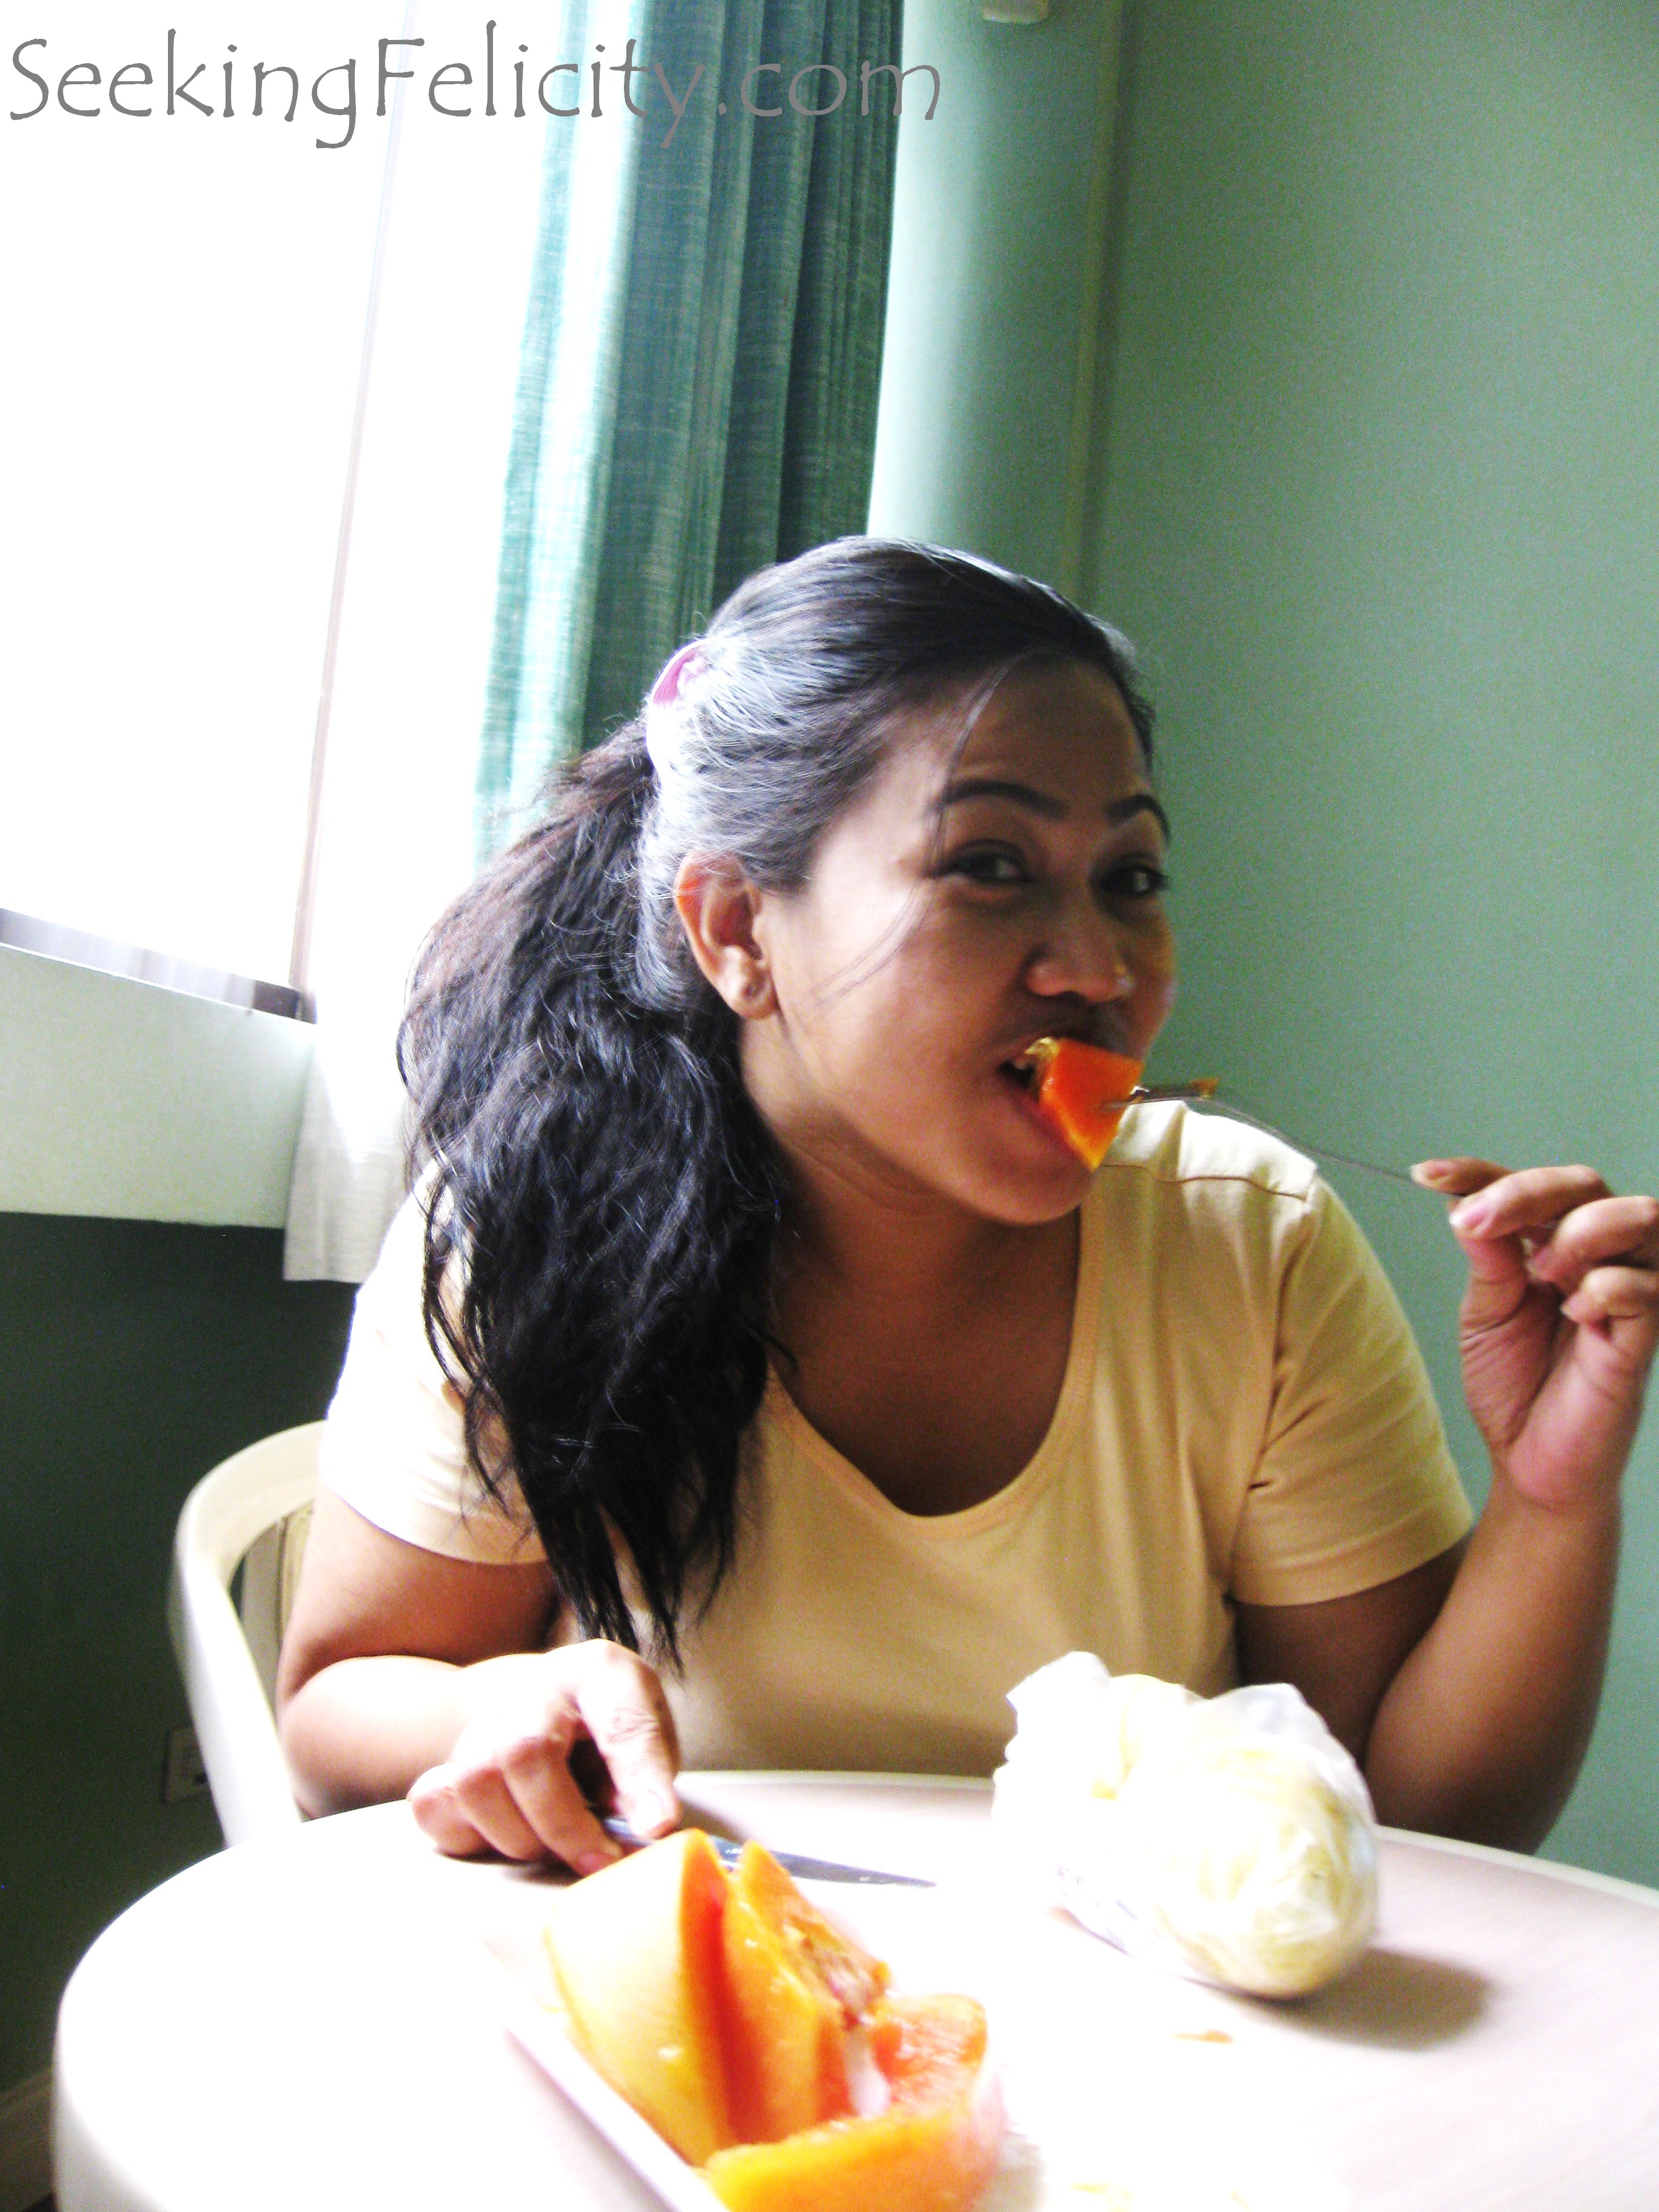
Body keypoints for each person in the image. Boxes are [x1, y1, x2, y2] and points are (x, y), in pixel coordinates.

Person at [276, 539, 1659, 1875]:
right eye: (989, 865)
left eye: (1130, 878)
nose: (1099, 966)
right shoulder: (533, 1228)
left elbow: (1414, 1827)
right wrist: (499, 1708)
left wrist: (1552, 1500)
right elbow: (334, 1721)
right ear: (739, 931)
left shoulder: (1247, 1243)